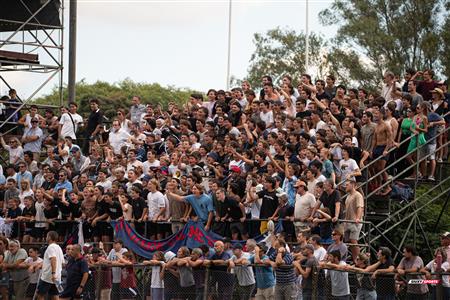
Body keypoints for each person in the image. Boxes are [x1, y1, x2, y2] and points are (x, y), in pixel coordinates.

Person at [36, 231, 65, 300]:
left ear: (49, 237)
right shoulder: (59, 248)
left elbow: (53, 259)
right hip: (57, 277)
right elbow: (63, 263)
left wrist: (53, 273)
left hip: (48, 276)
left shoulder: (51, 247)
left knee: (40, 295)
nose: (46, 238)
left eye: (46, 236)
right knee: (55, 296)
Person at [343, 179, 364, 262]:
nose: (346, 186)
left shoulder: (357, 195)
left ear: (352, 185)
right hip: (348, 221)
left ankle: (360, 260)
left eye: (347, 184)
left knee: (353, 240)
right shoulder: (348, 196)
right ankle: (355, 259)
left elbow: (360, 207)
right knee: (348, 241)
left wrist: (358, 218)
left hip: (355, 221)